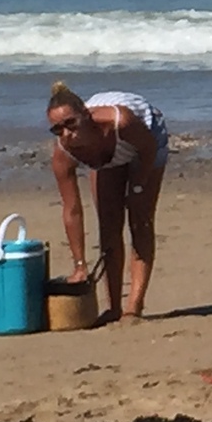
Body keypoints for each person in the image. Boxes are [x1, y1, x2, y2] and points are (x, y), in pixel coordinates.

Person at [46, 82, 169, 323]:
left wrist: (138, 185)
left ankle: (134, 306)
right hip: (103, 152)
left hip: (145, 138)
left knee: (140, 219)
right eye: (57, 129)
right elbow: (72, 210)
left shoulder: (121, 122)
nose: (67, 133)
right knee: (109, 222)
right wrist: (80, 265)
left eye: (71, 123)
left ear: (86, 115)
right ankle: (113, 308)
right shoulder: (64, 154)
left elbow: (148, 148)